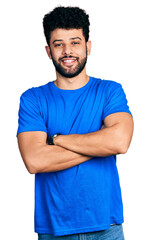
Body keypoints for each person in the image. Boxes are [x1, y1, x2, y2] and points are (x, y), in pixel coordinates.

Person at [17, 6, 134, 240]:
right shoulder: (33, 99)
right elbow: (35, 160)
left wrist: (56, 140)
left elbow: (120, 142)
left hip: (107, 227)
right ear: (48, 51)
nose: (67, 51)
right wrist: (100, 144)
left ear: (88, 46)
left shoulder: (109, 91)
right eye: (58, 44)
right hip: (54, 230)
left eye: (75, 42)